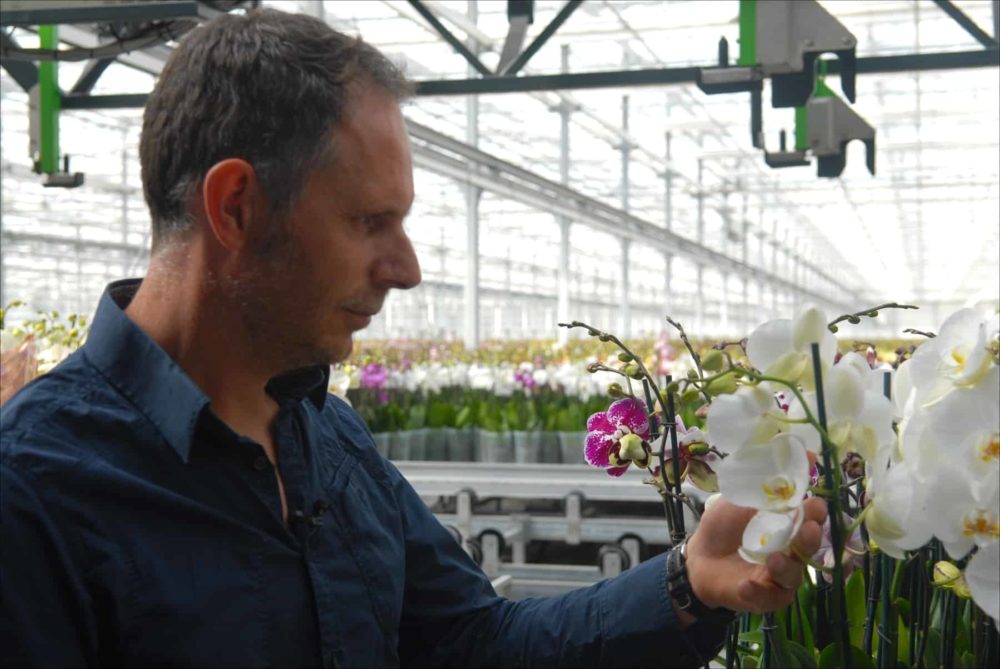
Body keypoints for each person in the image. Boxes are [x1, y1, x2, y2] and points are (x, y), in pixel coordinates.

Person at [0, 8, 825, 668]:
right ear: (236, 209)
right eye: (370, 222)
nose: (407, 267)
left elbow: (475, 643)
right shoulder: (37, 494)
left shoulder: (327, 437)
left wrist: (690, 584)